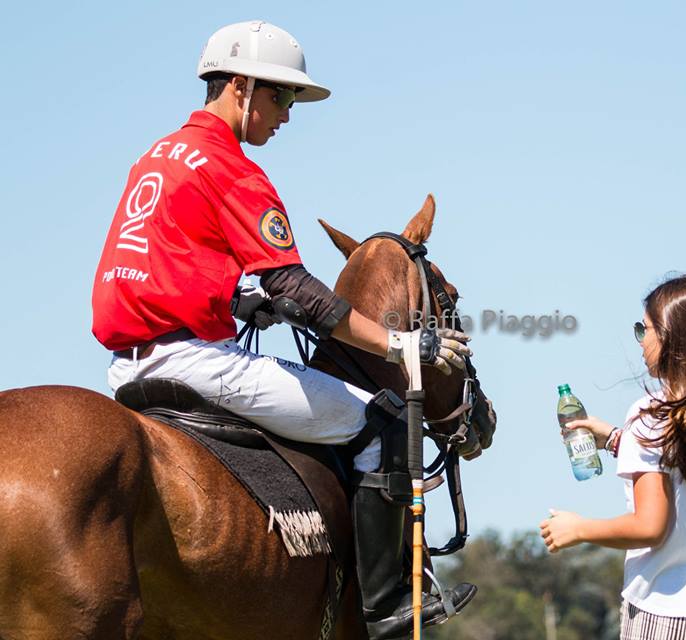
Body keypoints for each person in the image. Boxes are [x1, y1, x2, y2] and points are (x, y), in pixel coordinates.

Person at [91, 20, 475, 639]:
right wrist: (399, 342)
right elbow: (294, 285)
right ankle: (386, 611)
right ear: (240, 87)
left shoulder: (154, 157)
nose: (287, 116)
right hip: (194, 361)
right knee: (381, 420)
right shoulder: (232, 168)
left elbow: (163, 265)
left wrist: (240, 301)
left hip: (127, 367)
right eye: (281, 97)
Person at [539, 274, 686, 639]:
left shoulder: (649, 416)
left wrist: (578, 529)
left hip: (667, 611)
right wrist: (620, 440)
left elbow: (651, 526)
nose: (641, 341)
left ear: (671, 338)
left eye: (644, 329)